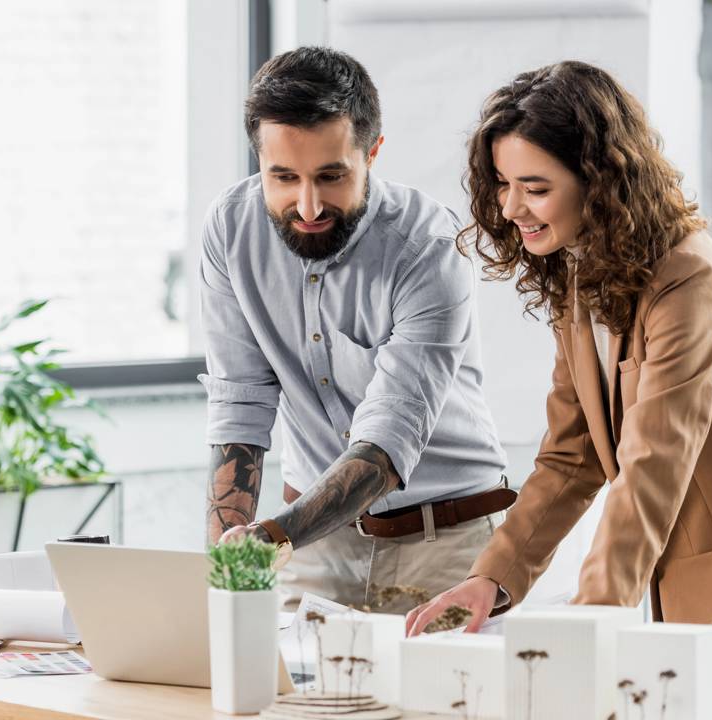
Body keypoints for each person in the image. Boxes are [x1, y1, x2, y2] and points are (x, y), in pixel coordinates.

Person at [405, 61, 712, 642]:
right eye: (503, 183)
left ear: (599, 182)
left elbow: (653, 464)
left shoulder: (688, 280)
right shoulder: (580, 276)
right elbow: (571, 458)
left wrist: (590, 620)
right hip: (681, 579)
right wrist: (490, 580)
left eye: (536, 188)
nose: (512, 208)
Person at [202, 46, 510, 612]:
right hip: (311, 548)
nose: (309, 204)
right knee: (292, 702)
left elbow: (389, 436)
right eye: (284, 177)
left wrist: (269, 538)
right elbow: (240, 399)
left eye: (331, 175)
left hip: (445, 545)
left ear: (373, 153)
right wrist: (225, 555)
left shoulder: (428, 245)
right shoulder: (230, 230)